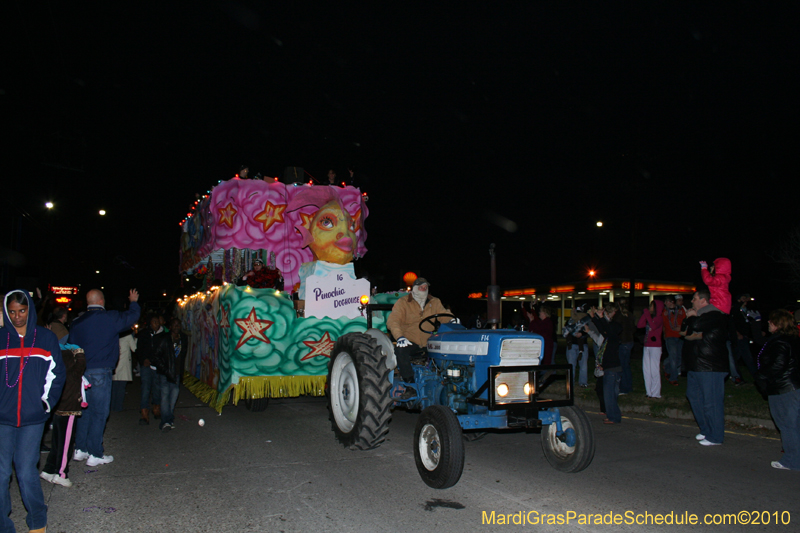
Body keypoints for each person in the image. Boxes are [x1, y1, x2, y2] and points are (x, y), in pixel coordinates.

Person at [0, 290, 66, 533]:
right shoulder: (0, 338)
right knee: (1, 473)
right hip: (2, 418)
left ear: (30, 310)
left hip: (33, 418)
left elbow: (57, 374)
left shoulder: (45, 338)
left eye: (22, 311)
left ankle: (37, 521)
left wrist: (45, 403)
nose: (17, 316)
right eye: (12, 312)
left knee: (26, 470)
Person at [69, 289, 140, 466]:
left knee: (85, 410)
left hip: (82, 372)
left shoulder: (77, 322)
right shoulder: (110, 318)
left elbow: (71, 347)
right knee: (99, 412)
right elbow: (132, 316)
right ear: (102, 301)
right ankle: (95, 453)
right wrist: (133, 301)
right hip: (101, 371)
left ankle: (80, 448)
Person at [387, 278, 453, 399]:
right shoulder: (403, 302)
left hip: (428, 341)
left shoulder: (434, 302)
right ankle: (410, 384)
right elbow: (393, 321)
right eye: (420, 287)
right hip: (410, 341)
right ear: (415, 288)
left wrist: (452, 320)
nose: (423, 289)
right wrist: (400, 336)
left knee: (448, 347)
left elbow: (443, 315)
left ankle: (448, 379)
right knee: (400, 351)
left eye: (425, 287)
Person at [754, 310, 800, 470]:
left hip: (784, 388)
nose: (768, 323)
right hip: (794, 386)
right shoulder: (794, 339)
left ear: (777, 324)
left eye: (771, 321)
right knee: (795, 424)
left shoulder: (780, 342)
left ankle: (792, 460)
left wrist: (760, 376)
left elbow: (777, 365)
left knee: (787, 425)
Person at [684, 290, 729, 446]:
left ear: (703, 301)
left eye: (694, 299)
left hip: (711, 366)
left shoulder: (715, 314)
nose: (692, 301)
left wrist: (692, 317)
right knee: (694, 396)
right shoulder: (700, 316)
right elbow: (687, 332)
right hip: (697, 364)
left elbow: (696, 325)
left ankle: (715, 436)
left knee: (711, 401)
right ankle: (706, 429)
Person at [40, 344, 85, 488]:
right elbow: (81, 366)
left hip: (59, 409)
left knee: (57, 442)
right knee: (66, 444)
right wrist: (79, 353)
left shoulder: (57, 371)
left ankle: (49, 469)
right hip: (69, 410)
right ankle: (61, 473)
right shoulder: (72, 372)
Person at [590, 303, 623, 424]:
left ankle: (613, 417)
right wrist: (595, 317)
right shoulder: (610, 337)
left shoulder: (613, 337)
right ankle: (614, 416)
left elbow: (607, 328)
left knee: (609, 395)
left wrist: (600, 317)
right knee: (611, 395)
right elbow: (602, 327)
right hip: (611, 368)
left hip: (612, 369)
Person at [153, 319, 187, 432]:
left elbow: (183, 356)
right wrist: (165, 370)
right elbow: (157, 356)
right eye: (174, 324)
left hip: (176, 373)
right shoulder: (165, 339)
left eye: (178, 324)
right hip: (165, 373)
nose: (177, 326)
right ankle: (165, 421)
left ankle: (169, 418)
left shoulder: (183, 339)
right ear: (170, 327)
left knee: (174, 396)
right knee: (165, 396)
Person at [136, 316, 165, 425]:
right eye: (154, 322)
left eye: (157, 322)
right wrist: (143, 359)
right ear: (150, 323)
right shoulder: (144, 334)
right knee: (145, 388)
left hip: (157, 366)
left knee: (157, 388)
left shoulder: (163, 335)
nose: (156, 324)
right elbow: (139, 349)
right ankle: (144, 412)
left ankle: (156, 407)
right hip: (146, 366)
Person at [638, 299, 664, 398]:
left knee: (654, 369)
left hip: (655, 346)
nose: (650, 308)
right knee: (646, 369)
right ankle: (648, 392)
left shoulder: (659, 318)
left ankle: (656, 393)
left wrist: (647, 314)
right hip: (647, 345)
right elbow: (640, 325)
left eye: (651, 306)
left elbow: (653, 326)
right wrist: (645, 315)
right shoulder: (650, 317)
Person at [563, 304, 591, 388]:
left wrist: (582, 334)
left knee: (583, 365)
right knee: (572, 365)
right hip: (572, 345)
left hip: (582, 345)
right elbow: (565, 331)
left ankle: (583, 382)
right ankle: (571, 383)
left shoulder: (586, 321)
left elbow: (589, 331)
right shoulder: (570, 321)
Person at [663, 295, 686, 386]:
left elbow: (685, 320)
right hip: (670, 336)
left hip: (680, 336)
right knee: (673, 357)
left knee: (679, 358)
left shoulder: (681, 310)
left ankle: (667, 368)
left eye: (667, 301)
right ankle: (673, 378)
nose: (665, 303)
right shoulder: (665, 311)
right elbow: (665, 323)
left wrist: (681, 328)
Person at [111, 329, 136, 412]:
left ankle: (112, 407)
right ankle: (118, 407)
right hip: (124, 364)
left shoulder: (114, 335)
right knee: (121, 387)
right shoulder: (128, 336)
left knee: (114, 387)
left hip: (115, 363)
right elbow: (134, 348)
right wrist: (135, 339)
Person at [617, 299, 635, 394]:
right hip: (629, 341)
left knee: (622, 366)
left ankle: (624, 388)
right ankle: (628, 386)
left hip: (623, 342)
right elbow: (633, 328)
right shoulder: (630, 315)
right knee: (626, 365)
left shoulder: (619, 316)